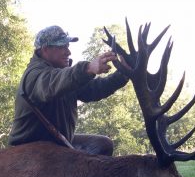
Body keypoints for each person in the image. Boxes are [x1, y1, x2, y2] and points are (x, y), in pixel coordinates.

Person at [8, 25, 129, 156]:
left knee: (103, 145)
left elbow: (93, 89)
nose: (68, 52)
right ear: (45, 50)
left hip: (57, 143)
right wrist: (88, 68)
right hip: (30, 149)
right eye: (61, 47)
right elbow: (53, 84)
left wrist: (123, 74)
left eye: (67, 46)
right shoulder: (34, 75)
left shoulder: (65, 77)